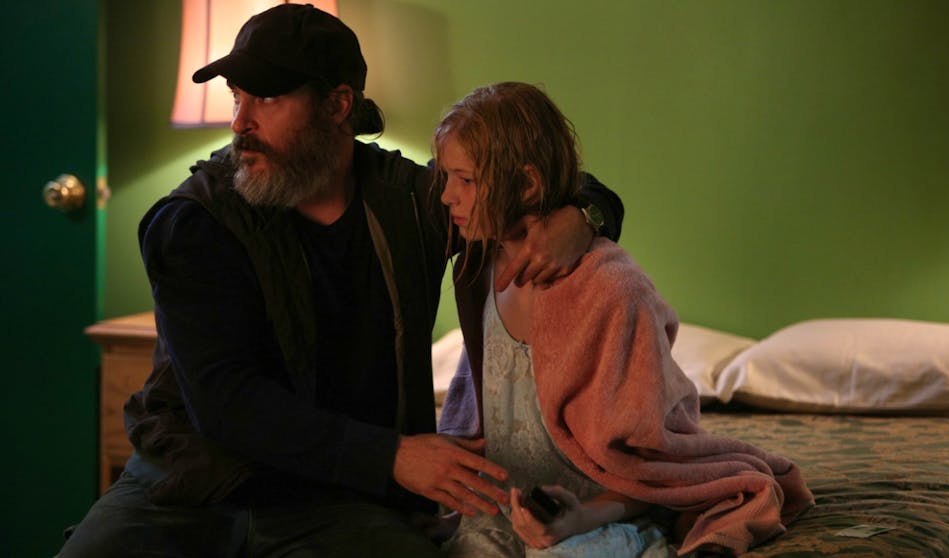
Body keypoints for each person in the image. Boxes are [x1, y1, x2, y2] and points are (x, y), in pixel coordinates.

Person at [58, 6, 624, 558]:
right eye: (237, 97)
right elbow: (226, 402)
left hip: (335, 502)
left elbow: (534, 187)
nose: (240, 123)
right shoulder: (195, 222)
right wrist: (394, 457)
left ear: (337, 104)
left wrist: (582, 217)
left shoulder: (411, 204)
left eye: (267, 99)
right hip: (187, 488)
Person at [434, 82, 814, 557]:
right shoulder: (475, 270)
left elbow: (648, 465)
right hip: (503, 509)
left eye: (465, 180)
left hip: (598, 509)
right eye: (445, 177)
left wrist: (580, 518)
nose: (445, 195)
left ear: (527, 184)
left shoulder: (612, 290)